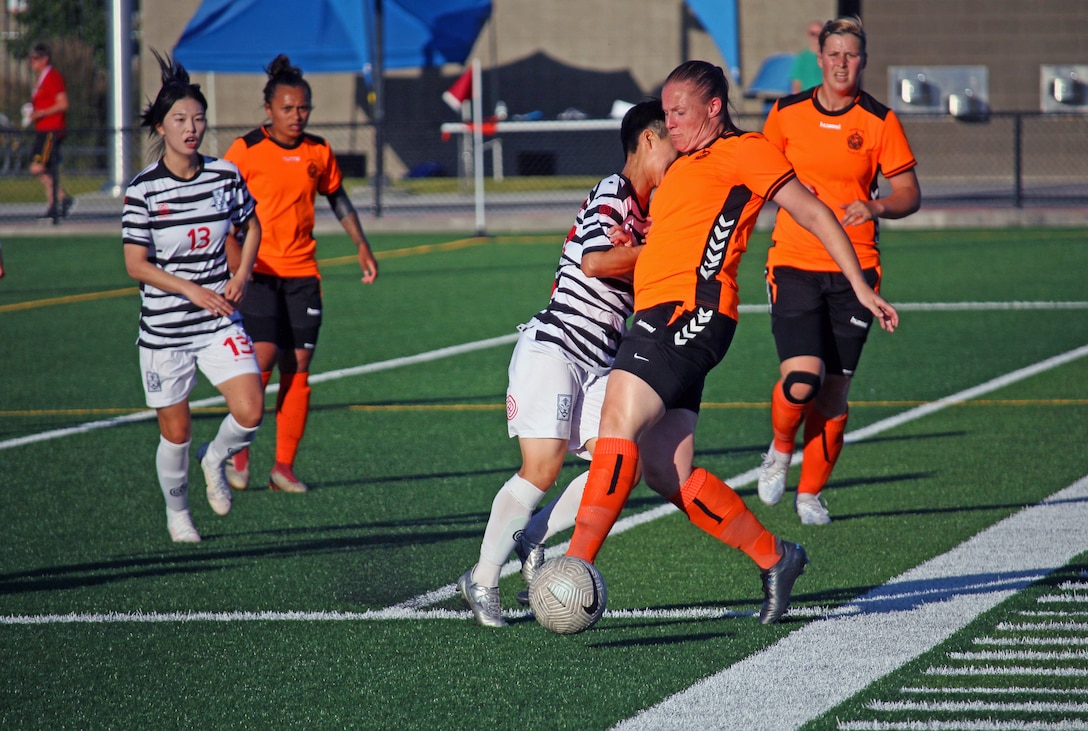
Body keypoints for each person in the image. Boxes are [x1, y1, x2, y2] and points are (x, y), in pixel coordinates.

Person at [561, 60, 899, 625]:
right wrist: (638, 235)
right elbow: (679, 229)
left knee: (616, 424)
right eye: (664, 112)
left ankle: (574, 573)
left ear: (714, 108)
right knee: (668, 473)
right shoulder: (684, 166)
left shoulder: (745, 150)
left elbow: (813, 211)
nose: (669, 123)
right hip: (665, 313)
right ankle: (777, 558)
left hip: (689, 311)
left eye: (679, 111)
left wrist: (860, 285)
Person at [456, 100, 678, 627]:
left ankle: (533, 538)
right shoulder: (614, 191)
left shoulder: (651, 214)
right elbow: (597, 261)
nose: (681, 155)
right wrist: (652, 249)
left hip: (599, 360)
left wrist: (649, 249)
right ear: (648, 140)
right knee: (543, 467)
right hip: (556, 346)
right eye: (675, 142)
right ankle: (483, 580)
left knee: (621, 464)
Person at [757, 16, 920, 525]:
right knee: (803, 378)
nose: (842, 63)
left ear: (863, 61)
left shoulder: (879, 121)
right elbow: (755, 179)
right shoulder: (785, 114)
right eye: (834, 54)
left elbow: (909, 192)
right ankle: (780, 449)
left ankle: (810, 495)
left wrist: (875, 208)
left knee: (834, 391)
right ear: (820, 58)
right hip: (795, 262)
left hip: (858, 272)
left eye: (851, 54)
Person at [122, 51, 264, 543]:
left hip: (217, 320)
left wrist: (242, 272)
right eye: (180, 119)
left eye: (198, 118)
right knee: (175, 432)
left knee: (250, 409)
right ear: (160, 127)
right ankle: (178, 513)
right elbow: (135, 265)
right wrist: (192, 289)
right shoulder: (142, 191)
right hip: (165, 328)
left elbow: (252, 224)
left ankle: (216, 457)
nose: (192, 127)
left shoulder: (224, 175)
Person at [223, 54, 379, 494]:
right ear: (269, 109)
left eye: (303, 108)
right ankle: (239, 451)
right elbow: (221, 209)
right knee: (263, 358)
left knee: (299, 367)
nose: (297, 115)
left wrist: (361, 245)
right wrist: (235, 255)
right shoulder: (245, 150)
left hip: (302, 274)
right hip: (258, 274)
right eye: (288, 108)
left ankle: (283, 468)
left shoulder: (318, 151)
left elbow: (338, 198)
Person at [27, 43, 74, 219]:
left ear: (45, 59)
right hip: (42, 128)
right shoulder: (41, 79)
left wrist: (42, 112)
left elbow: (63, 103)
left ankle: (61, 197)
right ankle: (53, 204)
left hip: (51, 129)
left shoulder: (52, 77)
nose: (32, 63)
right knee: (45, 168)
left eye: (35, 59)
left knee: (36, 167)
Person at [789, 20, 825, 94]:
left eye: (819, 34)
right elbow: (796, 85)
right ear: (808, 35)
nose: (816, 37)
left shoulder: (829, 57)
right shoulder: (802, 58)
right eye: (813, 33)